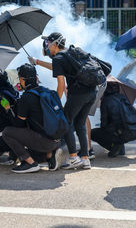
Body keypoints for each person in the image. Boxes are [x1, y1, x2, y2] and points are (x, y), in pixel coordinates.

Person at [39, 32, 98, 169]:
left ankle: (73, 157)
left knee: (65, 122)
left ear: (54, 44)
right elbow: (57, 69)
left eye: (48, 44)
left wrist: (56, 102)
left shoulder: (58, 58)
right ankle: (85, 158)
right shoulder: (71, 52)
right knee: (80, 124)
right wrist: (37, 61)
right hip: (92, 92)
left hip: (78, 94)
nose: (47, 47)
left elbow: (61, 84)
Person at [2, 64, 63, 174]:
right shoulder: (47, 91)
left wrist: (8, 109)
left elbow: (19, 124)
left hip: (44, 141)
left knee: (7, 132)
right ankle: (50, 155)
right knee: (35, 154)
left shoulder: (27, 97)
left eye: (20, 79)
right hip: (57, 140)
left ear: (22, 79)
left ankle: (30, 164)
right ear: (36, 78)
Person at [90, 81, 128, 157]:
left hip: (114, 132)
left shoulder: (107, 101)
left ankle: (113, 147)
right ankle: (120, 147)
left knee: (91, 133)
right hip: (126, 131)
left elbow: (104, 123)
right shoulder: (123, 98)